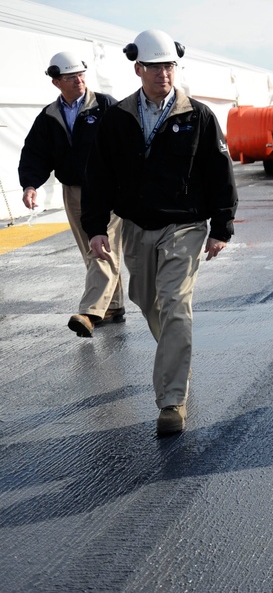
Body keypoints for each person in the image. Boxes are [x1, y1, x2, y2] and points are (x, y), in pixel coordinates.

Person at [83, 29, 238, 436]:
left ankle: (171, 400)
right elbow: (97, 176)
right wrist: (96, 228)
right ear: (138, 68)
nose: (163, 74)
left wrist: (222, 226)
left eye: (169, 66)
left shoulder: (198, 115)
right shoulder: (117, 118)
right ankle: (176, 351)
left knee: (174, 304)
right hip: (135, 227)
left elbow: (220, 173)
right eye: (154, 67)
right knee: (146, 299)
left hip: (184, 225)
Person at [18, 51, 124, 337]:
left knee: (101, 246)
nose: (78, 81)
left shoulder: (105, 106)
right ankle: (113, 306)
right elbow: (36, 153)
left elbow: (126, 145)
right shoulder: (50, 116)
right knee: (92, 251)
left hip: (107, 190)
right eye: (70, 77)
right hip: (74, 192)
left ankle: (90, 311)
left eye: (80, 75)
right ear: (56, 82)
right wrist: (30, 185)